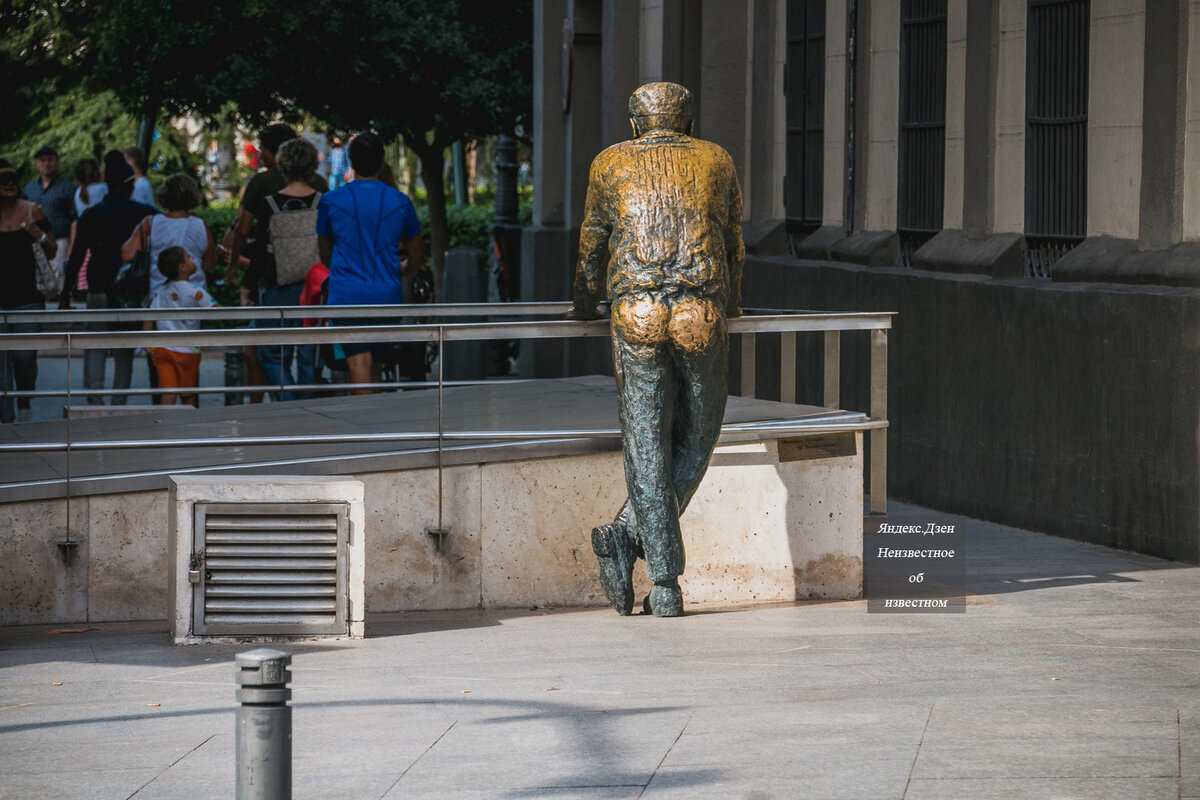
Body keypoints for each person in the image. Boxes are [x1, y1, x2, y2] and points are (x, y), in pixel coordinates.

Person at [571, 82, 744, 617]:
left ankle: (643, 553)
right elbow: (732, 238)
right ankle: (658, 575)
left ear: (633, 124)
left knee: (645, 438)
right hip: (699, 307)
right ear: (688, 122)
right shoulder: (716, 159)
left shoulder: (609, 162)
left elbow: (592, 241)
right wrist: (732, 301)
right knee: (698, 432)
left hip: (636, 308)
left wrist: (583, 302)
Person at [317, 132, 424, 394]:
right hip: (387, 295)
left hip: (346, 295)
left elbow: (324, 250)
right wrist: (405, 271)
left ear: (351, 161)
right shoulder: (400, 201)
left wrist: (341, 271)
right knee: (375, 365)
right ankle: (375, 426)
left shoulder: (330, 201)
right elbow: (417, 252)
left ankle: (366, 429)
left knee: (358, 365)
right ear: (381, 161)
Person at [227, 128, 328, 401]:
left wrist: (248, 284)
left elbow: (259, 250)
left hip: (278, 284)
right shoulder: (322, 195)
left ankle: (290, 403)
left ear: (282, 162)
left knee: (272, 354)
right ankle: (306, 412)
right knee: (310, 353)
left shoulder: (269, 202)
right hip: (315, 287)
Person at [63, 150, 157, 405]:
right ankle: (118, 401)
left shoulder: (91, 215)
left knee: (96, 343)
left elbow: (77, 257)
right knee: (124, 347)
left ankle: (95, 400)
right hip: (129, 289)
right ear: (129, 184)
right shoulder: (144, 212)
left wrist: (66, 294)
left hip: (98, 284)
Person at [0, 159, 57, 423]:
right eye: (4, 180)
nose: (10, 184)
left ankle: (24, 406)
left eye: (13, 179)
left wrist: (37, 233)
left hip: (27, 299)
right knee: (1, 364)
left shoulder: (32, 211)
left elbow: (53, 249)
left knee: (25, 358)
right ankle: (7, 419)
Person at [145, 246, 216, 406]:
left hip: (163, 350)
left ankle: (162, 426)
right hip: (188, 351)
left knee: (168, 392)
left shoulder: (161, 292)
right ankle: (188, 427)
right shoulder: (196, 292)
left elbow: (148, 317)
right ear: (182, 268)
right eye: (188, 257)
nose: (193, 260)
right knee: (188, 394)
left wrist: (148, 345)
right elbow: (217, 310)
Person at [22, 145, 75, 290]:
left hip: (59, 239)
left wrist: (72, 244)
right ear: (36, 163)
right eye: (42, 160)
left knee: (58, 278)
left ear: (56, 161)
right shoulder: (30, 188)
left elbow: (74, 218)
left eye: (50, 160)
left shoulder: (67, 187)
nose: (46, 164)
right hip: (35, 241)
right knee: (36, 279)